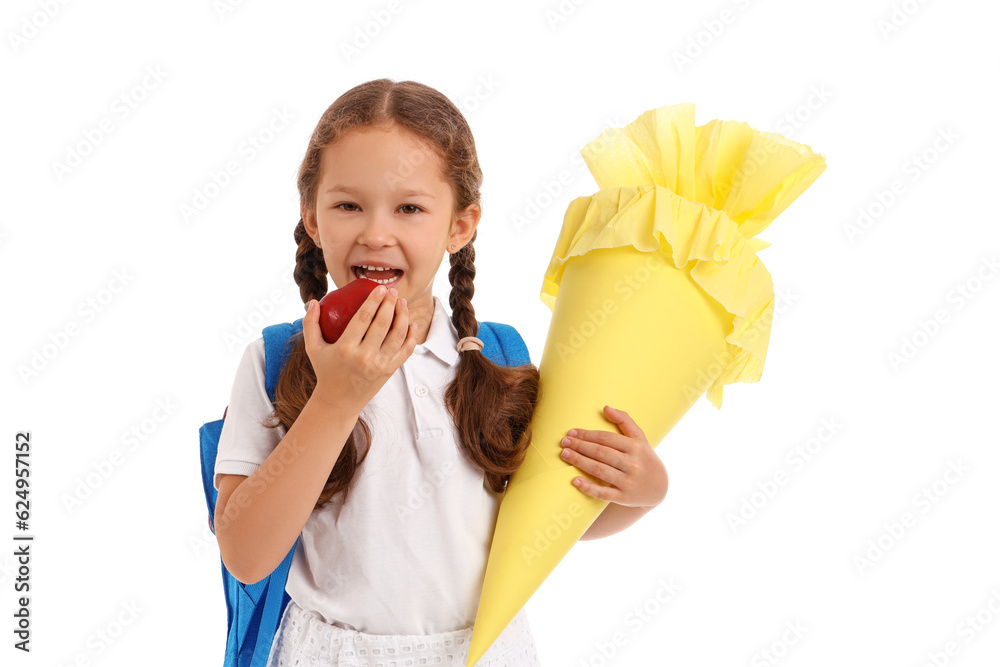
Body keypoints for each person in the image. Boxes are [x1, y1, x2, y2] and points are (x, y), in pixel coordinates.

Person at [212, 78, 668, 666]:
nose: (377, 232)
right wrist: (337, 400)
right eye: (348, 205)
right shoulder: (276, 360)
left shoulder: (499, 359)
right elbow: (246, 555)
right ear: (312, 218)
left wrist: (642, 494)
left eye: (410, 208)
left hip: (483, 652)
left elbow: (538, 525)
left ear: (461, 226)